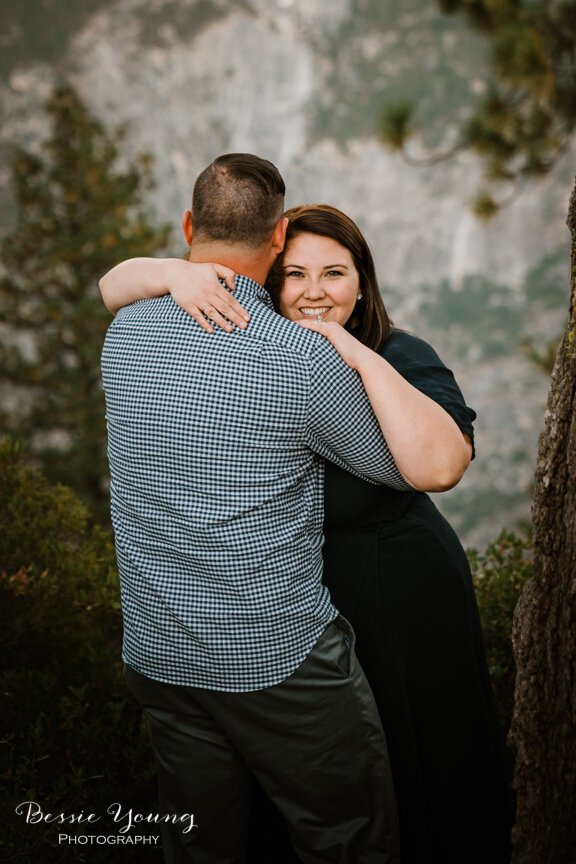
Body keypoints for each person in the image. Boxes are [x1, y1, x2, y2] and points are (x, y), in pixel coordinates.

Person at [100, 203, 513, 864]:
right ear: (269, 275)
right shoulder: (260, 354)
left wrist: (350, 351)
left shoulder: (398, 355)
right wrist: (174, 275)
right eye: (295, 273)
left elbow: (443, 462)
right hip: (303, 611)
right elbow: (113, 286)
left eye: (334, 273)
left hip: (397, 595)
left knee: (412, 780)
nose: (315, 290)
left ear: (361, 282)